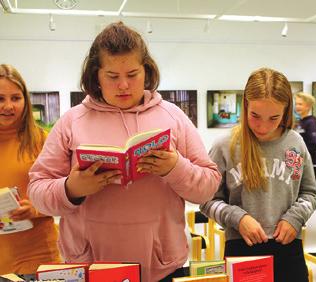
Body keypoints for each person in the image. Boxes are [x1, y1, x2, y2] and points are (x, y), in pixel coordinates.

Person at [27, 22, 221, 282]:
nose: (123, 86)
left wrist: (175, 168)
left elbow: (209, 186)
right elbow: (37, 191)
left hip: (160, 267)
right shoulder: (72, 121)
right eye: (112, 76)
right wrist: (71, 189)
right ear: (96, 75)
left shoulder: (173, 116)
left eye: (132, 74)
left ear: (146, 71)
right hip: (90, 267)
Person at [200, 68, 316, 282]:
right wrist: (238, 218)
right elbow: (207, 200)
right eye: (255, 116)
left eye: (274, 118)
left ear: (286, 112)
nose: (263, 127)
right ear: (245, 106)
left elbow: (309, 193)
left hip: (288, 248)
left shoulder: (295, 143)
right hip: (241, 249)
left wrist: (295, 218)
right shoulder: (224, 146)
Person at [0, 64, 61, 277]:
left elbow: (67, 195)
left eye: (16, 98)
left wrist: (35, 208)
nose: (8, 106)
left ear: (25, 100)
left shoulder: (42, 141)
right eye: (1, 99)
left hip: (38, 257)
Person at [294, 92, 316, 177]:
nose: (297, 106)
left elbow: (314, 145)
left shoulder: (311, 122)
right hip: (298, 162)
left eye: (300, 104)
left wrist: (298, 152)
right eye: (296, 104)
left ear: (308, 106)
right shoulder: (299, 122)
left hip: (309, 163)